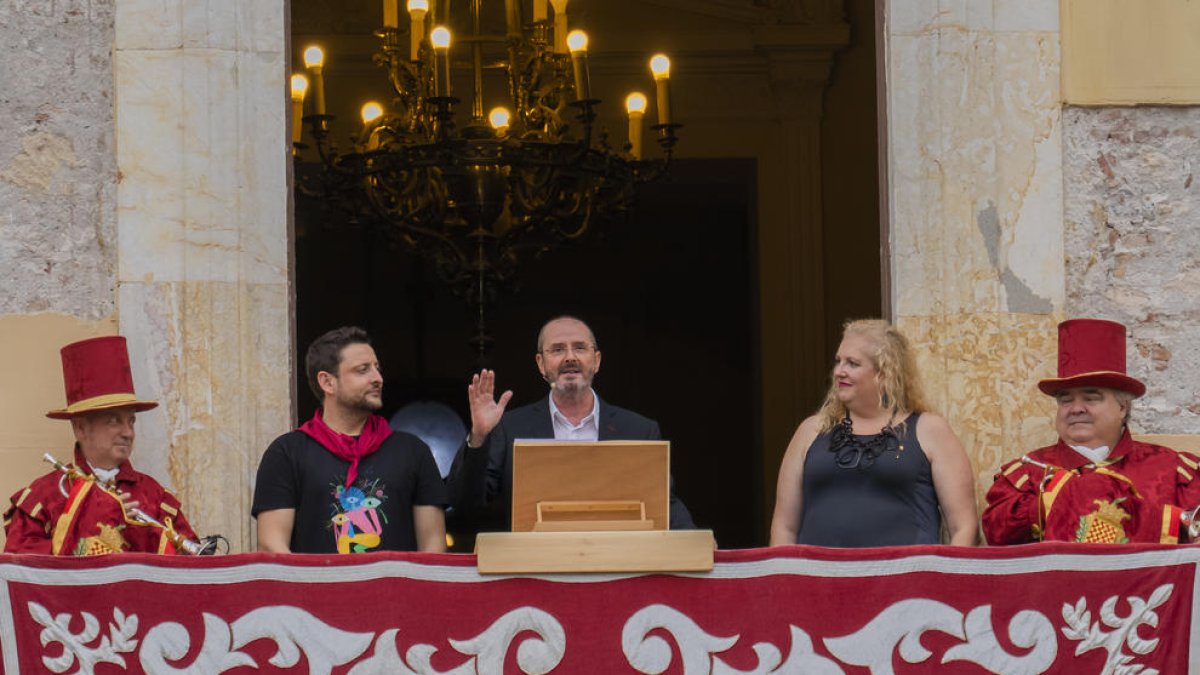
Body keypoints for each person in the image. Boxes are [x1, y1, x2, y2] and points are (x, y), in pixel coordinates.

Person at [448, 315, 696, 531]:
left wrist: (695, 541)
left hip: (616, 568)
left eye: (579, 348)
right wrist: (479, 436)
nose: (570, 357)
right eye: (557, 350)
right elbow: (466, 504)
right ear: (541, 364)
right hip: (537, 570)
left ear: (596, 360)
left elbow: (663, 503)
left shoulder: (639, 430)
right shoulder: (509, 427)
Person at [982, 318, 1200, 544]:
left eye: (1091, 398)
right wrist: (1053, 499)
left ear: (1122, 407)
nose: (1076, 409)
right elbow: (997, 534)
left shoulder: (1174, 471)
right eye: (1066, 400)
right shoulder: (1027, 474)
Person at [769, 319, 977, 547]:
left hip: (906, 579)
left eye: (852, 363)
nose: (839, 371)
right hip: (819, 579)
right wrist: (786, 579)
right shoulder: (810, 431)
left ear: (885, 373)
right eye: (838, 361)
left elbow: (963, 526)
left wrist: (945, 581)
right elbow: (784, 528)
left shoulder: (929, 429)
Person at [253, 327, 446, 553]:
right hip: (316, 588)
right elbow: (271, 545)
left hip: (394, 589)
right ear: (327, 382)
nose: (378, 378)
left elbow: (434, 548)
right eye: (363, 370)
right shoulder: (286, 453)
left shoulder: (413, 451)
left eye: (377, 369)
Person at [4, 336, 200, 555]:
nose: (128, 432)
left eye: (131, 421)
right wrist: (94, 520)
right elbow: (23, 574)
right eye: (114, 420)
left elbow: (188, 574)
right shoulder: (43, 498)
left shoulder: (155, 497)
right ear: (80, 428)